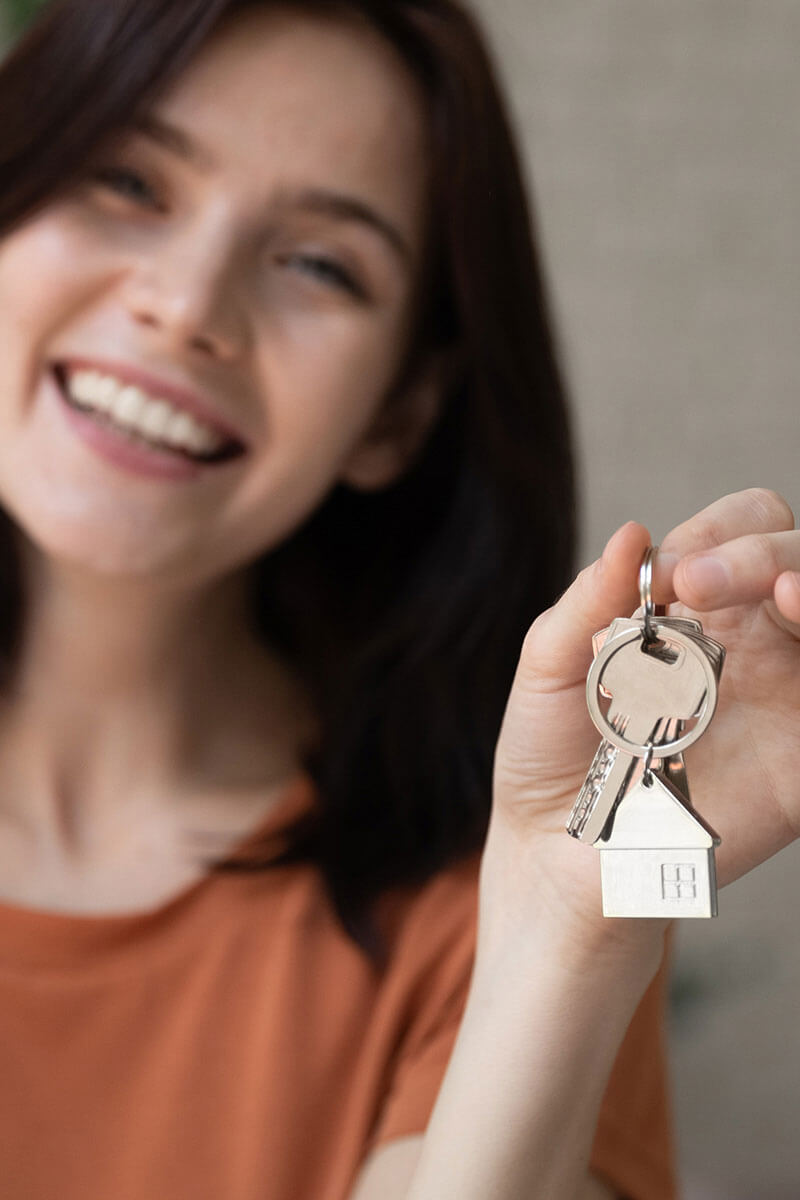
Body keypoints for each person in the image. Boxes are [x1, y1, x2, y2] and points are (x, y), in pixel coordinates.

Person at [0, 1, 797, 1197]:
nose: (187, 307)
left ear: (396, 413)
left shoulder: (519, 899)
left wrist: (565, 936)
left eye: (319, 262)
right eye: (127, 179)